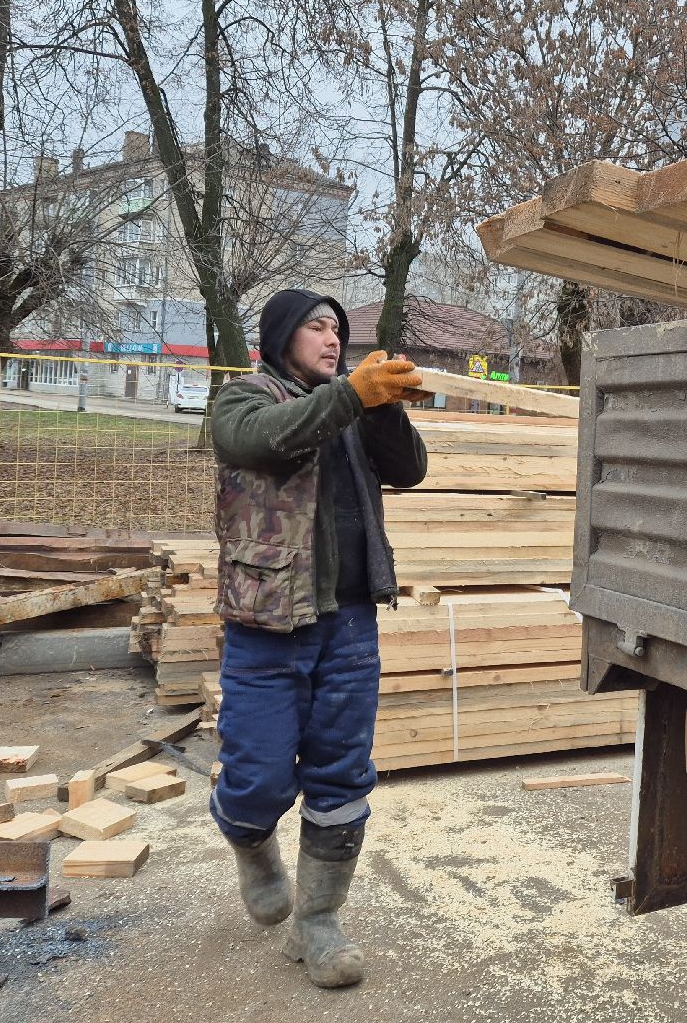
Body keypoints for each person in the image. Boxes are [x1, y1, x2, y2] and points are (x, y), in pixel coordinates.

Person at [208, 287, 428, 988]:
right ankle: (248, 837)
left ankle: (319, 923)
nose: (332, 339)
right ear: (281, 337)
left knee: (341, 775)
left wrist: (383, 403)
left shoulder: (352, 405)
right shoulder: (245, 398)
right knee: (257, 777)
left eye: (338, 329)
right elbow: (263, 440)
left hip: (351, 621)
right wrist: (351, 397)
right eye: (315, 327)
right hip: (267, 623)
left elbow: (411, 471)